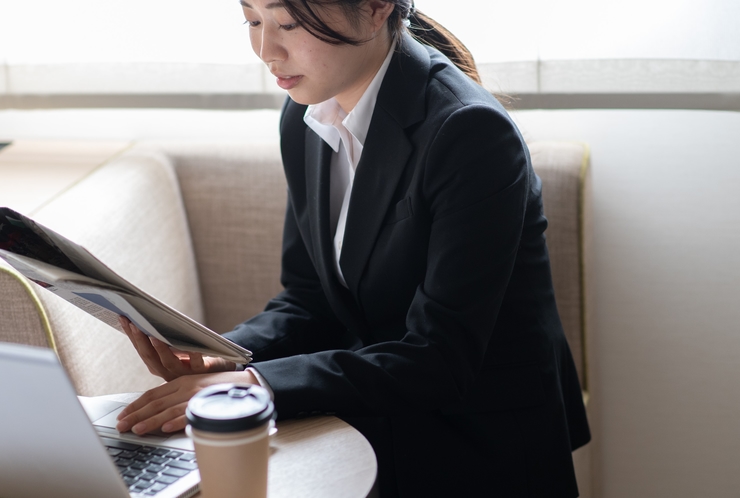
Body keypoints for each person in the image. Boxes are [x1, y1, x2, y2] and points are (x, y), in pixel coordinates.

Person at [115, 0, 590, 495]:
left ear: (375, 7)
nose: (264, 49)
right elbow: (308, 298)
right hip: (373, 416)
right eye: (252, 21)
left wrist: (258, 384)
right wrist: (225, 356)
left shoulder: (470, 133)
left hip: (479, 446)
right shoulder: (306, 112)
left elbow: (438, 358)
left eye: (288, 23)